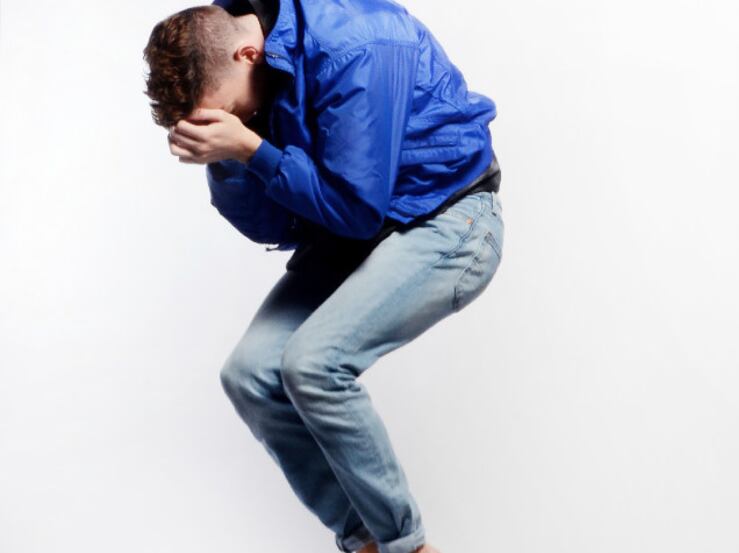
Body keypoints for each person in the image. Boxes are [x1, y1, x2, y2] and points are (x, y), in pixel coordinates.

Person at [142, 1, 503, 552]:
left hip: (449, 218)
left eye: (224, 110)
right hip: (360, 233)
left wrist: (252, 148)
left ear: (247, 54)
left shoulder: (356, 46)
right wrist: (229, 158)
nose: (231, 122)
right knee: (250, 374)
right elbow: (279, 224)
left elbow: (356, 206)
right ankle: (366, 543)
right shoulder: (249, 63)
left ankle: (408, 547)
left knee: (313, 363)